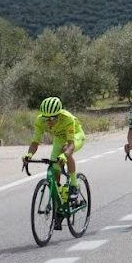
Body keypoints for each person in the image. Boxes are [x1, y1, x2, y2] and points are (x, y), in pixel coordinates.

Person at [24, 97, 85, 229]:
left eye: (54, 118)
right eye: (47, 119)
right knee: (54, 167)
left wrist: (64, 155)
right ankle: (59, 201)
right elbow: (35, 142)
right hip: (59, 138)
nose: (50, 122)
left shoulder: (67, 118)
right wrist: (29, 154)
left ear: (59, 114)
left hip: (75, 136)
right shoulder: (40, 120)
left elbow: (71, 145)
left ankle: (74, 184)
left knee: (65, 152)